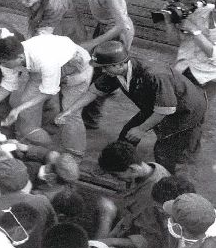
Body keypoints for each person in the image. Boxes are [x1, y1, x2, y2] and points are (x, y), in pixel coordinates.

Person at [57, 41, 207, 172]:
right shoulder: (117, 72)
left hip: (185, 111)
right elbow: (94, 91)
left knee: (166, 152)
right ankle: (117, 167)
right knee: (127, 136)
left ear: (119, 64)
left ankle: (167, 181)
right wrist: (69, 111)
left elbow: (165, 110)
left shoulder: (154, 75)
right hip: (156, 106)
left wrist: (141, 129)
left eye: (105, 67)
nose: (103, 71)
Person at [0, 34, 92, 158]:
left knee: (70, 112)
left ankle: (75, 155)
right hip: (42, 68)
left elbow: (48, 92)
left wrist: (18, 108)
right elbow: (8, 84)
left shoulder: (45, 60)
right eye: (1, 62)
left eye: (4, 63)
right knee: (26, 113)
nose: (2, 65)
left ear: (20, 58)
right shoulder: (10, 58)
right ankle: (35, 148)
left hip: (76, 66)